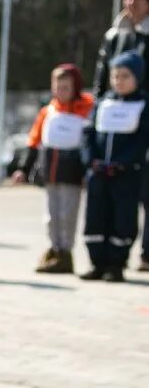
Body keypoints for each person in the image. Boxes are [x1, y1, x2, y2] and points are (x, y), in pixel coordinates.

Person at [11, 64, 94, 274]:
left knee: (68, 214)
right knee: (51, 215)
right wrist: (23, 168)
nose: (60, 92)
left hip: (72, 172)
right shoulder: (48, 111)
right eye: (57, 87)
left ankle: (66, 252)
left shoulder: (87, 109)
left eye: (66, 87)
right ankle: (54, 248)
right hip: (51, 172)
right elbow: (33, 141)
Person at [79, 51, 149, 282]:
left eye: (125, 76)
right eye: (115, 76)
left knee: (123, 219)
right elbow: (88, 134)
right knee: (96, 218)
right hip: (98, 174)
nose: (119, 81)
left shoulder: (143, 105)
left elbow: (142, 140)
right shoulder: (103, 103)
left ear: (137, 77)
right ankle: (97, 263)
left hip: (125, 176)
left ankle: (116, 264)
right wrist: (92, 160)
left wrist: (123, 163)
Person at [96, 0, 149, 272]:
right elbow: (102, 73)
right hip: (116, 120)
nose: (131, 4)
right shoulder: (115, 35)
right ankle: (110, 253)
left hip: (144, 117)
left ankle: (147, 252)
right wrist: (98, 107)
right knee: (118, 189)